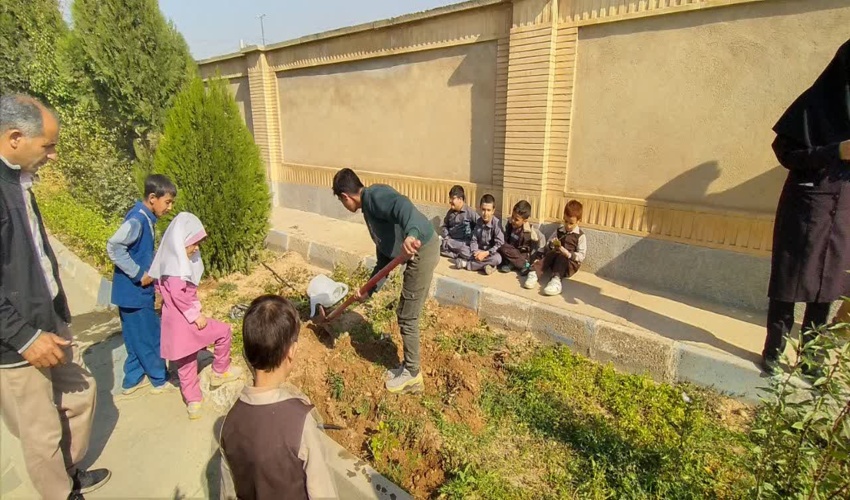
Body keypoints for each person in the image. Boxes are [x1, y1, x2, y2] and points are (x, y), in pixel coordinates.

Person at [0, 94, 110, 499]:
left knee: (81, 396)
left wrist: (57, 310)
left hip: (49, 320)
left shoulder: (18, 181)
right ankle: (62, 493)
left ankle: (69, 472)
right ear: (15, 138)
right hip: (14, 344)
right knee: (40, 432)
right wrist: (25, 337)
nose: (53, 156)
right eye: (47, 146)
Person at [762, 39, 850, 377]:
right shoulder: (813, 104)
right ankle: (774, 349)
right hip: (806, 204)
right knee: (789, 279)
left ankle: (811, 358)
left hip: (843, 210)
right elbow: (785, 154)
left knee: (828, 284)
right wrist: (834, 152)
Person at [220, 295, 338, 500]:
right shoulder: (300, 423)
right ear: (292, 351)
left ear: (246, 353)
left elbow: (227, 492)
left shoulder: (229, 422)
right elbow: (323, 493)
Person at [332, 168, 439, 394]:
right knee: (404, 312)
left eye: (342, 203)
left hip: (423, 249)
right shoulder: (369, 211)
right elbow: (385, 259)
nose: (345, 206)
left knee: (407, 315)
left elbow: (403, 206)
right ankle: (409, 367)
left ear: (345, 197)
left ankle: (413, 375)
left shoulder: (375, 196)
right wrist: (369, 290)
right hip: (413, 250)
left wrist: (411, 233)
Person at [149, 212, 243, 419]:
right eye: (193, 244)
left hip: (172, 325)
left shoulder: (166, 264)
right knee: (223, 331)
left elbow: (160, 288)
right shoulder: (176, 271)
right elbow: (177, 294)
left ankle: (193, 402)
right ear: (180, 244)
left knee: (185, 363)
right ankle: (220, 371)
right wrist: (195, 315)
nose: (196, 248)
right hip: (187, 322)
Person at [107, 174, 176, 396]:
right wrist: (139, 274)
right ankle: (159, 379)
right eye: (167, 202)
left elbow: (140, 251)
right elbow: (114, 247)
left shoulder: (145, 218)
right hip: (135, 293)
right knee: (149, 335)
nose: (170, 207)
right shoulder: (137, 220)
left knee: (134, 337)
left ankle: (132, 378)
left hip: (127, 294)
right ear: (153, 198)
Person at [533, 200, 587, 296]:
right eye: (566, 221)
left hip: (569, 265)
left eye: (571, 223)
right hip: (555, 261)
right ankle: (534, 273)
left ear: (578, 221)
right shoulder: (559, 230)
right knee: (553, 253)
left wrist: (569, 254)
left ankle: (556, 281)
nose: (568, 225)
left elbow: (582, 255)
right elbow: (549, 243)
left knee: (562, 256)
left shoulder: (580, 236)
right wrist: (552, 245)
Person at [498, 200, 545, 288]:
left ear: (525, 220)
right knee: (501, 245)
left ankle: (522, 265)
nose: (512, 220)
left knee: (504, 247)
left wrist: (539, 255)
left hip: (522, 255)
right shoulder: (509, 225)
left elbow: (542, 238)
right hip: (511, 251)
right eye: (512, 217)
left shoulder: (530, 230)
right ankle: (515, 265)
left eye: (516, 219)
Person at [455, 194, 504, 275]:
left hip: (490, 253)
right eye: (483, 210)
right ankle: (487, 266)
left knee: (498, 259)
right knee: (463, 249)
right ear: (480, 209)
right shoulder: (478, 221)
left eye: (488, 210)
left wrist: (486, 253)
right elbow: (474, 240)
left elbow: (499, 244)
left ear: (493, 210)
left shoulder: (496, 223)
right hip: (478, 251)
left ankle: (467, 264)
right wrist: (475, 252)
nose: (485, 213)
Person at [439, 185, 478, 259]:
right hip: (450, 240)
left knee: (464, 249)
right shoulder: (450, 212)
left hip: (463, 243)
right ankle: (456, 255)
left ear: (460, 199)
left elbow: (480, 225)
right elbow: (445, 225)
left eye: (453, 198)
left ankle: (455, 254)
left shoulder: (469, 212)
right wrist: (446, 235)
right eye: (450, 198)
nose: (450, 201)